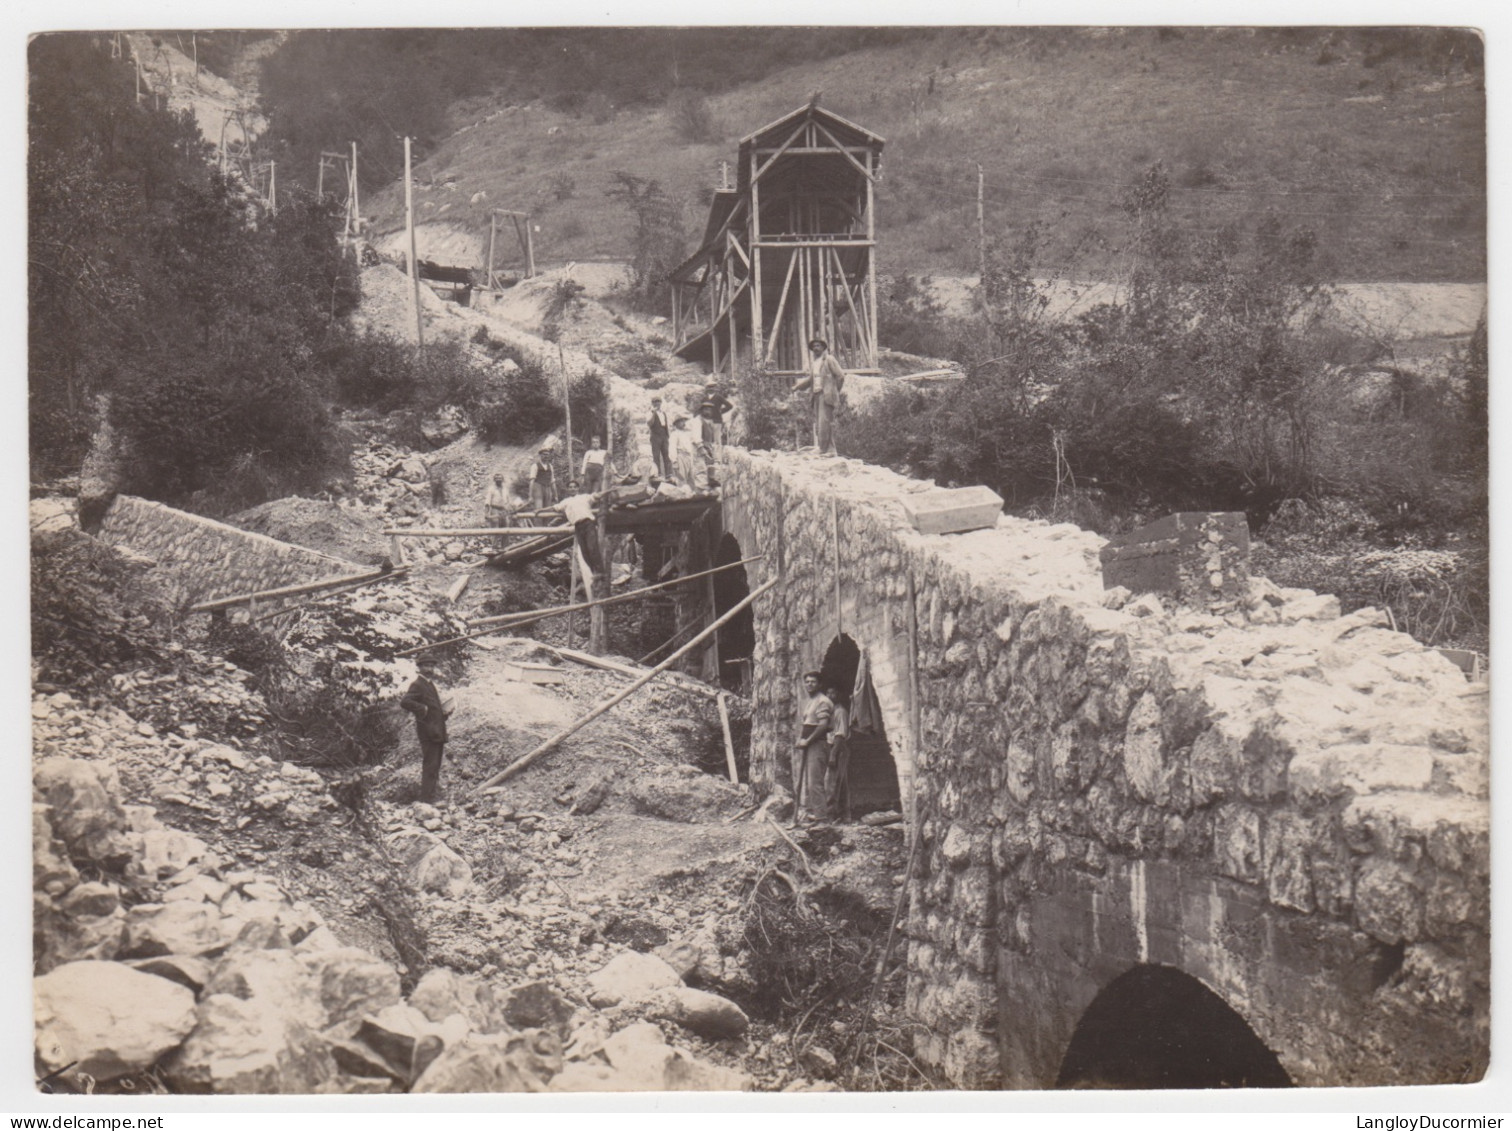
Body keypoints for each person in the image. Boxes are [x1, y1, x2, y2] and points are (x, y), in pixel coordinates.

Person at [400, 660, 448, 803]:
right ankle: (426, 800)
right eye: (426, 666)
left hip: (437, 730)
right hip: (428, 731)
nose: (430, 669)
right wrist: (423, 709)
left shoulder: (429, 684)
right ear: (419, 667)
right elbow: (405, 702)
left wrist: (443, 712)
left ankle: (431, 796)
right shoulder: (417, 684)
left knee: (436, 765)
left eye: (432, 665)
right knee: (430, 765)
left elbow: (433, 707)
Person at [793, 670, 834, 823]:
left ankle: (822, 819)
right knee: (809, 783)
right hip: (809, 745)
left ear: (820, 684)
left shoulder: (823, 701)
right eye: (807, 681)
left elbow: (822, 726)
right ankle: (816, 814)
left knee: (815, 783)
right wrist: (801, 740)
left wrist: (807, 740)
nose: (809, 684)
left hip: (818, 744)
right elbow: (807, 724)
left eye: (813, 682)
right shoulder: (811, 700)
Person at [793, 337, 845, 455]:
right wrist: (797, 386)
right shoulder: (815, 363)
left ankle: (823, 449)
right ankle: (830, 450)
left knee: (824, 422)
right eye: (814, 346)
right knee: (822, 422)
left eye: (818, 346)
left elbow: (841, 376)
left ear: (823, 347)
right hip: (816, 395)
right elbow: (809, 380)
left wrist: (834, 390)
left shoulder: (829, 359)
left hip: (826, 395)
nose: (816, 348)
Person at [823, 681, 851, 823]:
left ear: (838, 695)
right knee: (841, 782)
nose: (830, 695)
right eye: (828, 693)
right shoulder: (830, 711)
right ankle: (845, 814)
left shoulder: (840, 712)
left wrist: (833, 755)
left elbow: (840, 735)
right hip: (832, 747)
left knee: (832, 782)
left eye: (833, 693)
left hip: (838, 748)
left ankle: (830, 815)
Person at [697, 401, 722, 490]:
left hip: (709, 445)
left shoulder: (710, 422)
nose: (708, 412)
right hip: (701, 446)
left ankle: (711, 480)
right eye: (706, 409)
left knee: (711, 463)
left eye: (710, 410)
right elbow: (696, 436)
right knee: (701, 467)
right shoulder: (698, 421)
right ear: (702, 411)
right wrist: (701, 447)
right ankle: (702, 487)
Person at [701, 382, 735, 448]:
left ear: (715, 388)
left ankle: (718, 456)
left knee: (717, 440)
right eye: (709, 387)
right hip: (707, 421)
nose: (711, 389)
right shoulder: (704, 399)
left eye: (713, 387)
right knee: (707, 439)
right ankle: (709, 455)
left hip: (717, 420)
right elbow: (702, 409)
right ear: (707, 389)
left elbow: (729, 406)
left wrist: (720, 411)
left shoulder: (719, 397)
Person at [647, 397, 672, 480]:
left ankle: (669, 474)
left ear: (661, 403)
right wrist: (653, 413)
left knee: (667, 455)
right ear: (652, 403)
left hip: (664, 435)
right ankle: (657, 474)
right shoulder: (649, 413)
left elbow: (666, 425)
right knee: (656, 456)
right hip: (655, 436)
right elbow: (650, 424)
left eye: (658, 402)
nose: (657, 403)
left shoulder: (664, 413)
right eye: (654, 402)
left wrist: (667, 435)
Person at [529, 442, 557, 514]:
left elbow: (552, 482)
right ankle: (538, 525)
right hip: (538, 487)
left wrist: (555, 495)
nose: (546, 456)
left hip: (547, 488)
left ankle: (546, 525)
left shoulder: (550, 466)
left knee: (547, 509)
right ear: (540, 455)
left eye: (547, 455)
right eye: (544, 454)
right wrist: (530, 496)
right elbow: (532, 481)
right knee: (538, 509)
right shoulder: (535, 466)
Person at [670, 415, 697, 486]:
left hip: (689, 457)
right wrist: (674, 461)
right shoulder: (674, 434)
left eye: (683, 421)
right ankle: (681, 493)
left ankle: (691, 493)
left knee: (691, 477)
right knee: (681, 477)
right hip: (680, 457)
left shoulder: (687, 434)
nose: (683, 423)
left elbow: (692, 444)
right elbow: (672, 448)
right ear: (676, 424)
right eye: (680, 421)